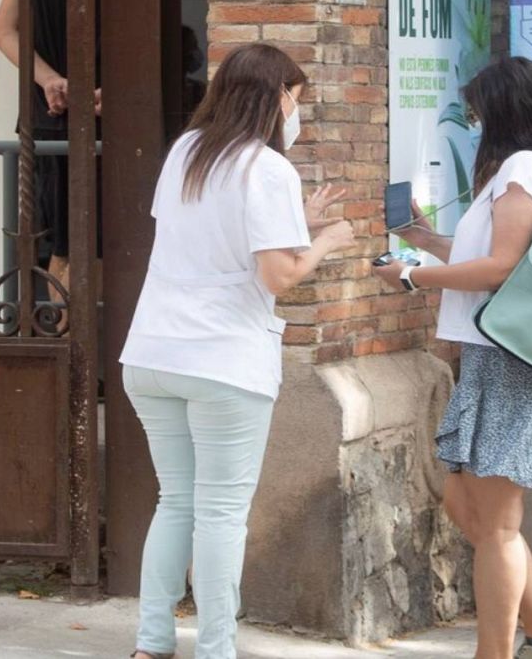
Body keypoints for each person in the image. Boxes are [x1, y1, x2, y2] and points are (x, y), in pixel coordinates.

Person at [118, 44, 357, 659]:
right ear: (277, 98)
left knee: (176, 501)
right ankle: (216, 648)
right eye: (296, 100)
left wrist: (295, 220)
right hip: (223, 359)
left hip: (153, 354)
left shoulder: (186, 152)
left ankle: (152, 642)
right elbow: (278, 275)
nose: (296, 113)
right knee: (222, 513)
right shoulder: (267, 168)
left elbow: (207, 234)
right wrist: (328, 238)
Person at [373, 56, 532, 659]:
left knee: (496, 524)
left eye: (476, 113)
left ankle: (494, 653)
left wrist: (413, 277)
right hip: (500, 355)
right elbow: (508, 256)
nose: (472, 123)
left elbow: (501, 270)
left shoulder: (524, 166)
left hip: (510, 358)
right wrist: (426, 242)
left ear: (501, 112)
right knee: (466, 501)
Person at [0, 0, 102, 307]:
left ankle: (63, 351)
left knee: (64, 243)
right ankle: (92, 356)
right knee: (108, 242)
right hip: (114, 125)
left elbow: (2, 31)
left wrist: (49, 79)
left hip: (49, 120)